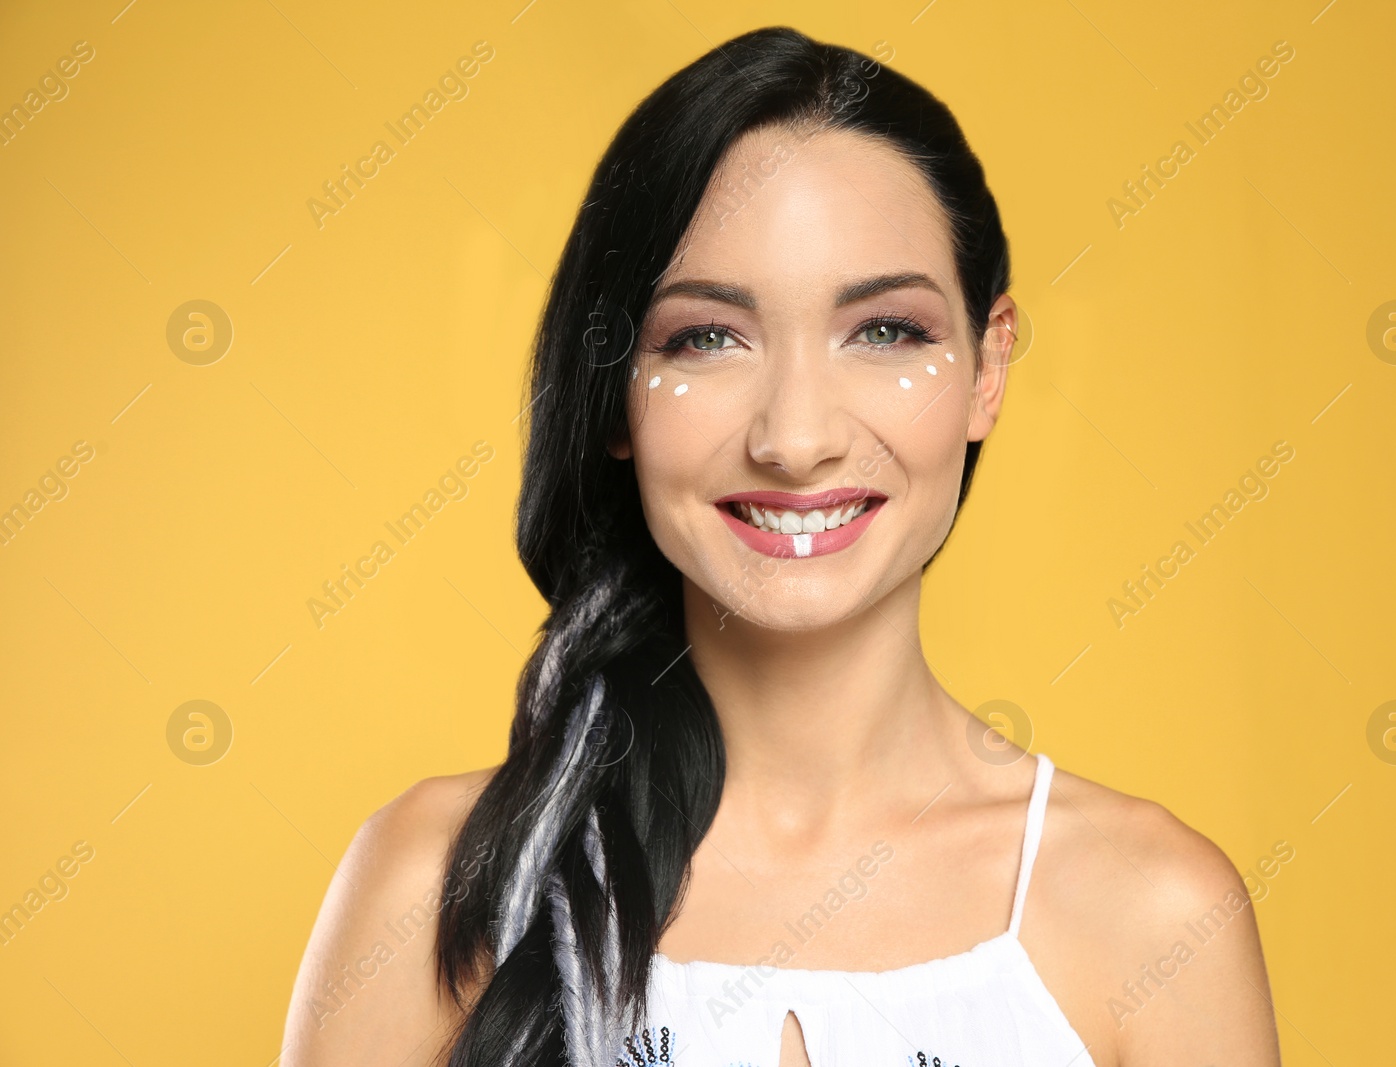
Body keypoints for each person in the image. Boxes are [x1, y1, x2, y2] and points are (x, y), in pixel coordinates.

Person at [282, 25, 1280, 1067]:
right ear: (613, 392)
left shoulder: (1158, 918)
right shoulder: (437, 883)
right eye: (703, 338)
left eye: (886, 330)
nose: (795, 439)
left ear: (987, 367)